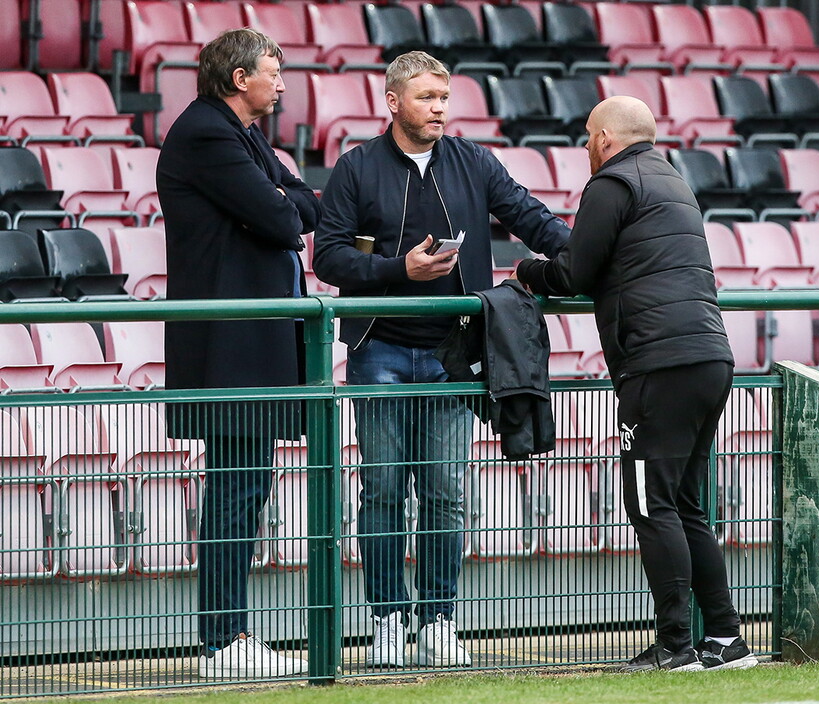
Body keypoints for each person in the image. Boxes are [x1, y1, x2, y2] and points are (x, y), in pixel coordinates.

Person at [313, 51, 570, 668]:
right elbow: (327, 259)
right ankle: (386, 618)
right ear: (393, 101)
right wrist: (400, 269)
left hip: (454, 353)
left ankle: (438, 618)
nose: (439, 109)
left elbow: (529, 216)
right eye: (427, 97)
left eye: (444, 98)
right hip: (379, 350)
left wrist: (587, 251)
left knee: (446, 491)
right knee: (381, 489)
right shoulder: (355, 168)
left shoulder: (473, 160)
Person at [513, 96, 759, 673]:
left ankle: (676, 647)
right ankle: (724, 639)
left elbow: (575, 271)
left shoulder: (612, 185)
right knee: (686, 503)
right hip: (709, 357)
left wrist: (526, 271)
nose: (585, 150)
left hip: (658, 364)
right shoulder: (675, 180)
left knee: (651, 501)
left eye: (587, 138)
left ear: (603, 138)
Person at [158, 28, 321, 679]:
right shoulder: (207, 133)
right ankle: (220, 640)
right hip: (228, 344)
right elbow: (287, 220)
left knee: (247, 489)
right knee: (234, 491)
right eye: (272, 74)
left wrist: (289, 200)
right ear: (237, 79)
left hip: (255, 340)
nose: (281, 86)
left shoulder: (246, 136)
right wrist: (287, 202)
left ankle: (230, 633)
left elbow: (307, 202)